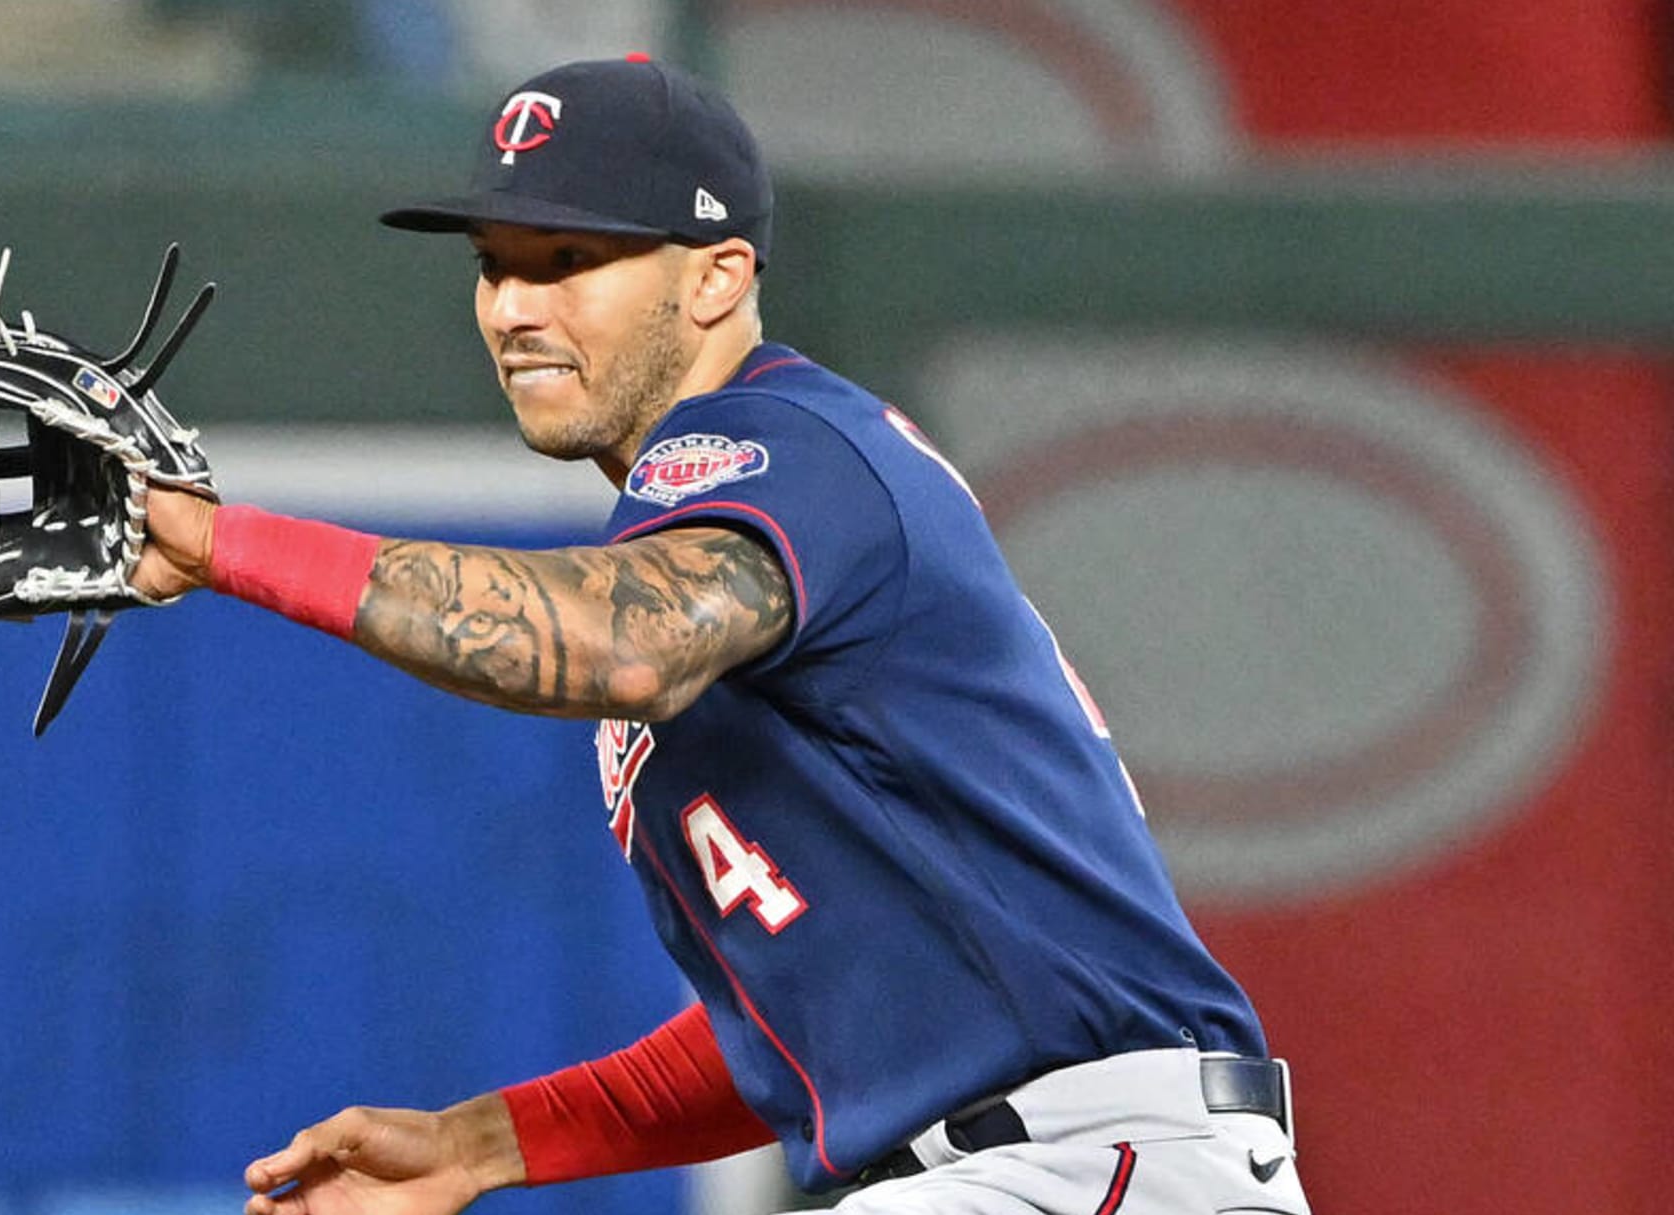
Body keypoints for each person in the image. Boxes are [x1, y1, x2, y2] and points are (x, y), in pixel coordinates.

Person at [132, 55, 1313, 1215]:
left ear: (715, 278)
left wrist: (211, 543)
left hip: (1086, 1161)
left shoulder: (785, 447)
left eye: (571, 261)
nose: (515, 308)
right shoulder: (728, 498)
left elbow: (619, 643)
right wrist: (483, 1146)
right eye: (497, 267)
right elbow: (811, 1026)